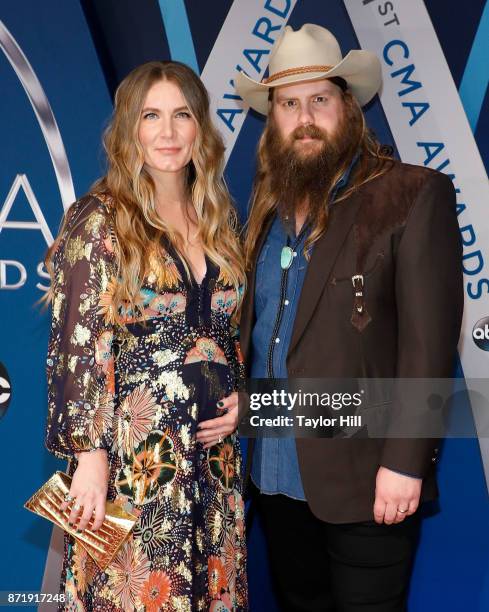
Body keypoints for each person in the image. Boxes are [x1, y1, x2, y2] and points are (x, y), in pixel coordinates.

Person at [235, 24, 463, 611]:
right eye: (288, 103)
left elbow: (427, 348)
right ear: (273, 121)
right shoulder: (264, 214)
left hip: (370, 480)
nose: (304, 116)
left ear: (349, 108)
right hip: (275, 478)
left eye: (319, 100)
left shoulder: (411, 195)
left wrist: (405, 463)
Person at [44, 60, 248, 611]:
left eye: (181, 115)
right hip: (135, 466)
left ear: (200, 129)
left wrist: (241, 402)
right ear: (128, 129)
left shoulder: (219, 222)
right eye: (151, 115)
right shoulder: (99, 217)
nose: (167, 132)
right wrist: (89, 455)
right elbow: (79, 342)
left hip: (214, 467)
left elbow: (227, 336)